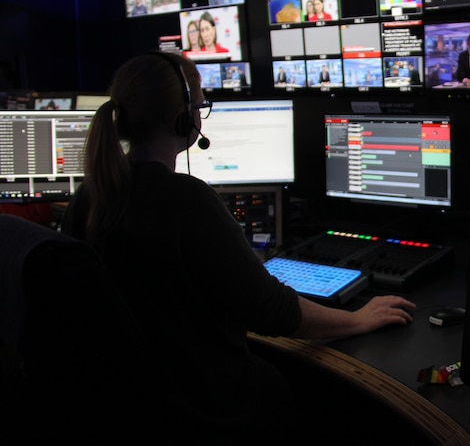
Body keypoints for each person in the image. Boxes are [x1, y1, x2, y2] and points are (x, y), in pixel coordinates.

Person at [59, 52, 415, 440]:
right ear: (184, 116)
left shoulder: (88, 196)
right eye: (200, 102)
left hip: (126, 407)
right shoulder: (185, 199)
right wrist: (358, 319)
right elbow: (274, 311)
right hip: (204, 406)